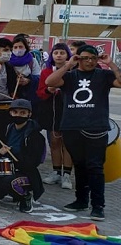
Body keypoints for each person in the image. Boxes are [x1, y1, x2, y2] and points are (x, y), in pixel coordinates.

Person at [45, 45, 121, 221]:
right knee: (79, 165)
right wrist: (68, 65)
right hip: (72, 126)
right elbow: (49, 82)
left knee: (95, 166)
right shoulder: (70, 76)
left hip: (96, 127)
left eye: (93, 58)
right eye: (85, 58)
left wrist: (111, 64)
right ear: (78, 59)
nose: (90, 61)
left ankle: (98, 205)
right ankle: (81, 200)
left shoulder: (103, 75)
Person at [0, 99, 45, 212]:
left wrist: (11, 154)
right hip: (5, 170)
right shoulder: (7, 129)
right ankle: (4, 191)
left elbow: (32, 163)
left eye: (22, 113)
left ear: (29, 114)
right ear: (10, 113)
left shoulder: (35, 136)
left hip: (26, 173)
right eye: (15, 112)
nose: (18, 115)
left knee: (9, 182)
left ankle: (25, 196)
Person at [36, 43, 73, 190]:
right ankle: (56, 171)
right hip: (51, 111)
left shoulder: (73, 71)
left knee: (68, 144)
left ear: (68, 55)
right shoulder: (46, 72)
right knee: (55, 142)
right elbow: (39, 92)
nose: (58, 55)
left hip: (69, 111)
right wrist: (48, 90)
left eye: (62, 53)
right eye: (56, 53)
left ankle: (67, 175)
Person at [9, 35, 41, 102]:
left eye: (20, 47)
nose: (18, 49)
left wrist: (28, 80)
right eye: (15, 47)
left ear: (25, 48)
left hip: (29, 96)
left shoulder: (32, 61)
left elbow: (38, 77)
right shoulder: (8, 61)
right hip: (11, 96)